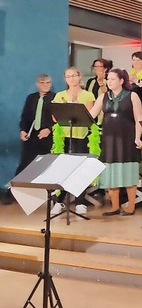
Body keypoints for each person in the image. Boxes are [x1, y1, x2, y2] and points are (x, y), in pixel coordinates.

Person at [88, 68, 142, 216]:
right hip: (109, 139)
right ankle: (114, 206)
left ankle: (131, 205)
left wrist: (138, 137)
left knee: (128, 171)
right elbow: (91, 114)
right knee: (111, 171)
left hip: (126, 138)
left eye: (112, 79)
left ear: (121, 81)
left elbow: (139, 119)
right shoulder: (103, 96)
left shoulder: (132, 96)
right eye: (108, 79)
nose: (109, 81)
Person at [51, 67, 96, 215]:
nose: (71, 79)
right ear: (65, 79)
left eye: (74, 76)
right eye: (68, 76)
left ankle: (80, 201)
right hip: (64, 137)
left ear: (79, 76)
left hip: (81, 136)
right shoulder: (60, 95)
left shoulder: (88, 95)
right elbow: (55, 117)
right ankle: (59, 201)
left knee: (80, 170)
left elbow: (89, 116)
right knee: (63, 170)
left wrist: (75, 105)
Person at [11, 74, 56, 204]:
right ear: (37, 84)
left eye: (48, 82)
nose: (45, 85)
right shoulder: (31, 98)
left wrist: (49, 128)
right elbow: (25, 117)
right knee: (24, 163)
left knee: (49, 165)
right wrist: (23, 130)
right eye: (42, 82)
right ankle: (13, 193)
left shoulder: (55, 98)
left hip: (48, 136)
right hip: (32, 135)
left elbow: (58, 118)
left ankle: (51, 195)